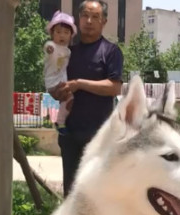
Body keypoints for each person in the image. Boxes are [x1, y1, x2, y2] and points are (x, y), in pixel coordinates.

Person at [51, 0, 124, 196]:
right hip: (70, 135)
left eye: (95, 17)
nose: (89, 21)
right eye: (85, 16)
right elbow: (55, 87)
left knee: (97, 194)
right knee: (72, 192)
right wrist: (58, 91)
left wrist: (79, 84)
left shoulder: (110, 52)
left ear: (104, 22)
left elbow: (115, 87)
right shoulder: (67, 52)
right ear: (78, 19)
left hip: (99, 137)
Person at [43, 11, 77, 135]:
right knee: (70, 97)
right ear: (52, 34)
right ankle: (60, 121)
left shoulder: (68, 51)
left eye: (66, 33)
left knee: (69, 100)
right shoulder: (51, 45)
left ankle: (60, 121)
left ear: (70, 35)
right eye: (58, 32)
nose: (62, 35)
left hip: (61, 82)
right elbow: (48, 48)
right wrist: (50, 50)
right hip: (53, 83)